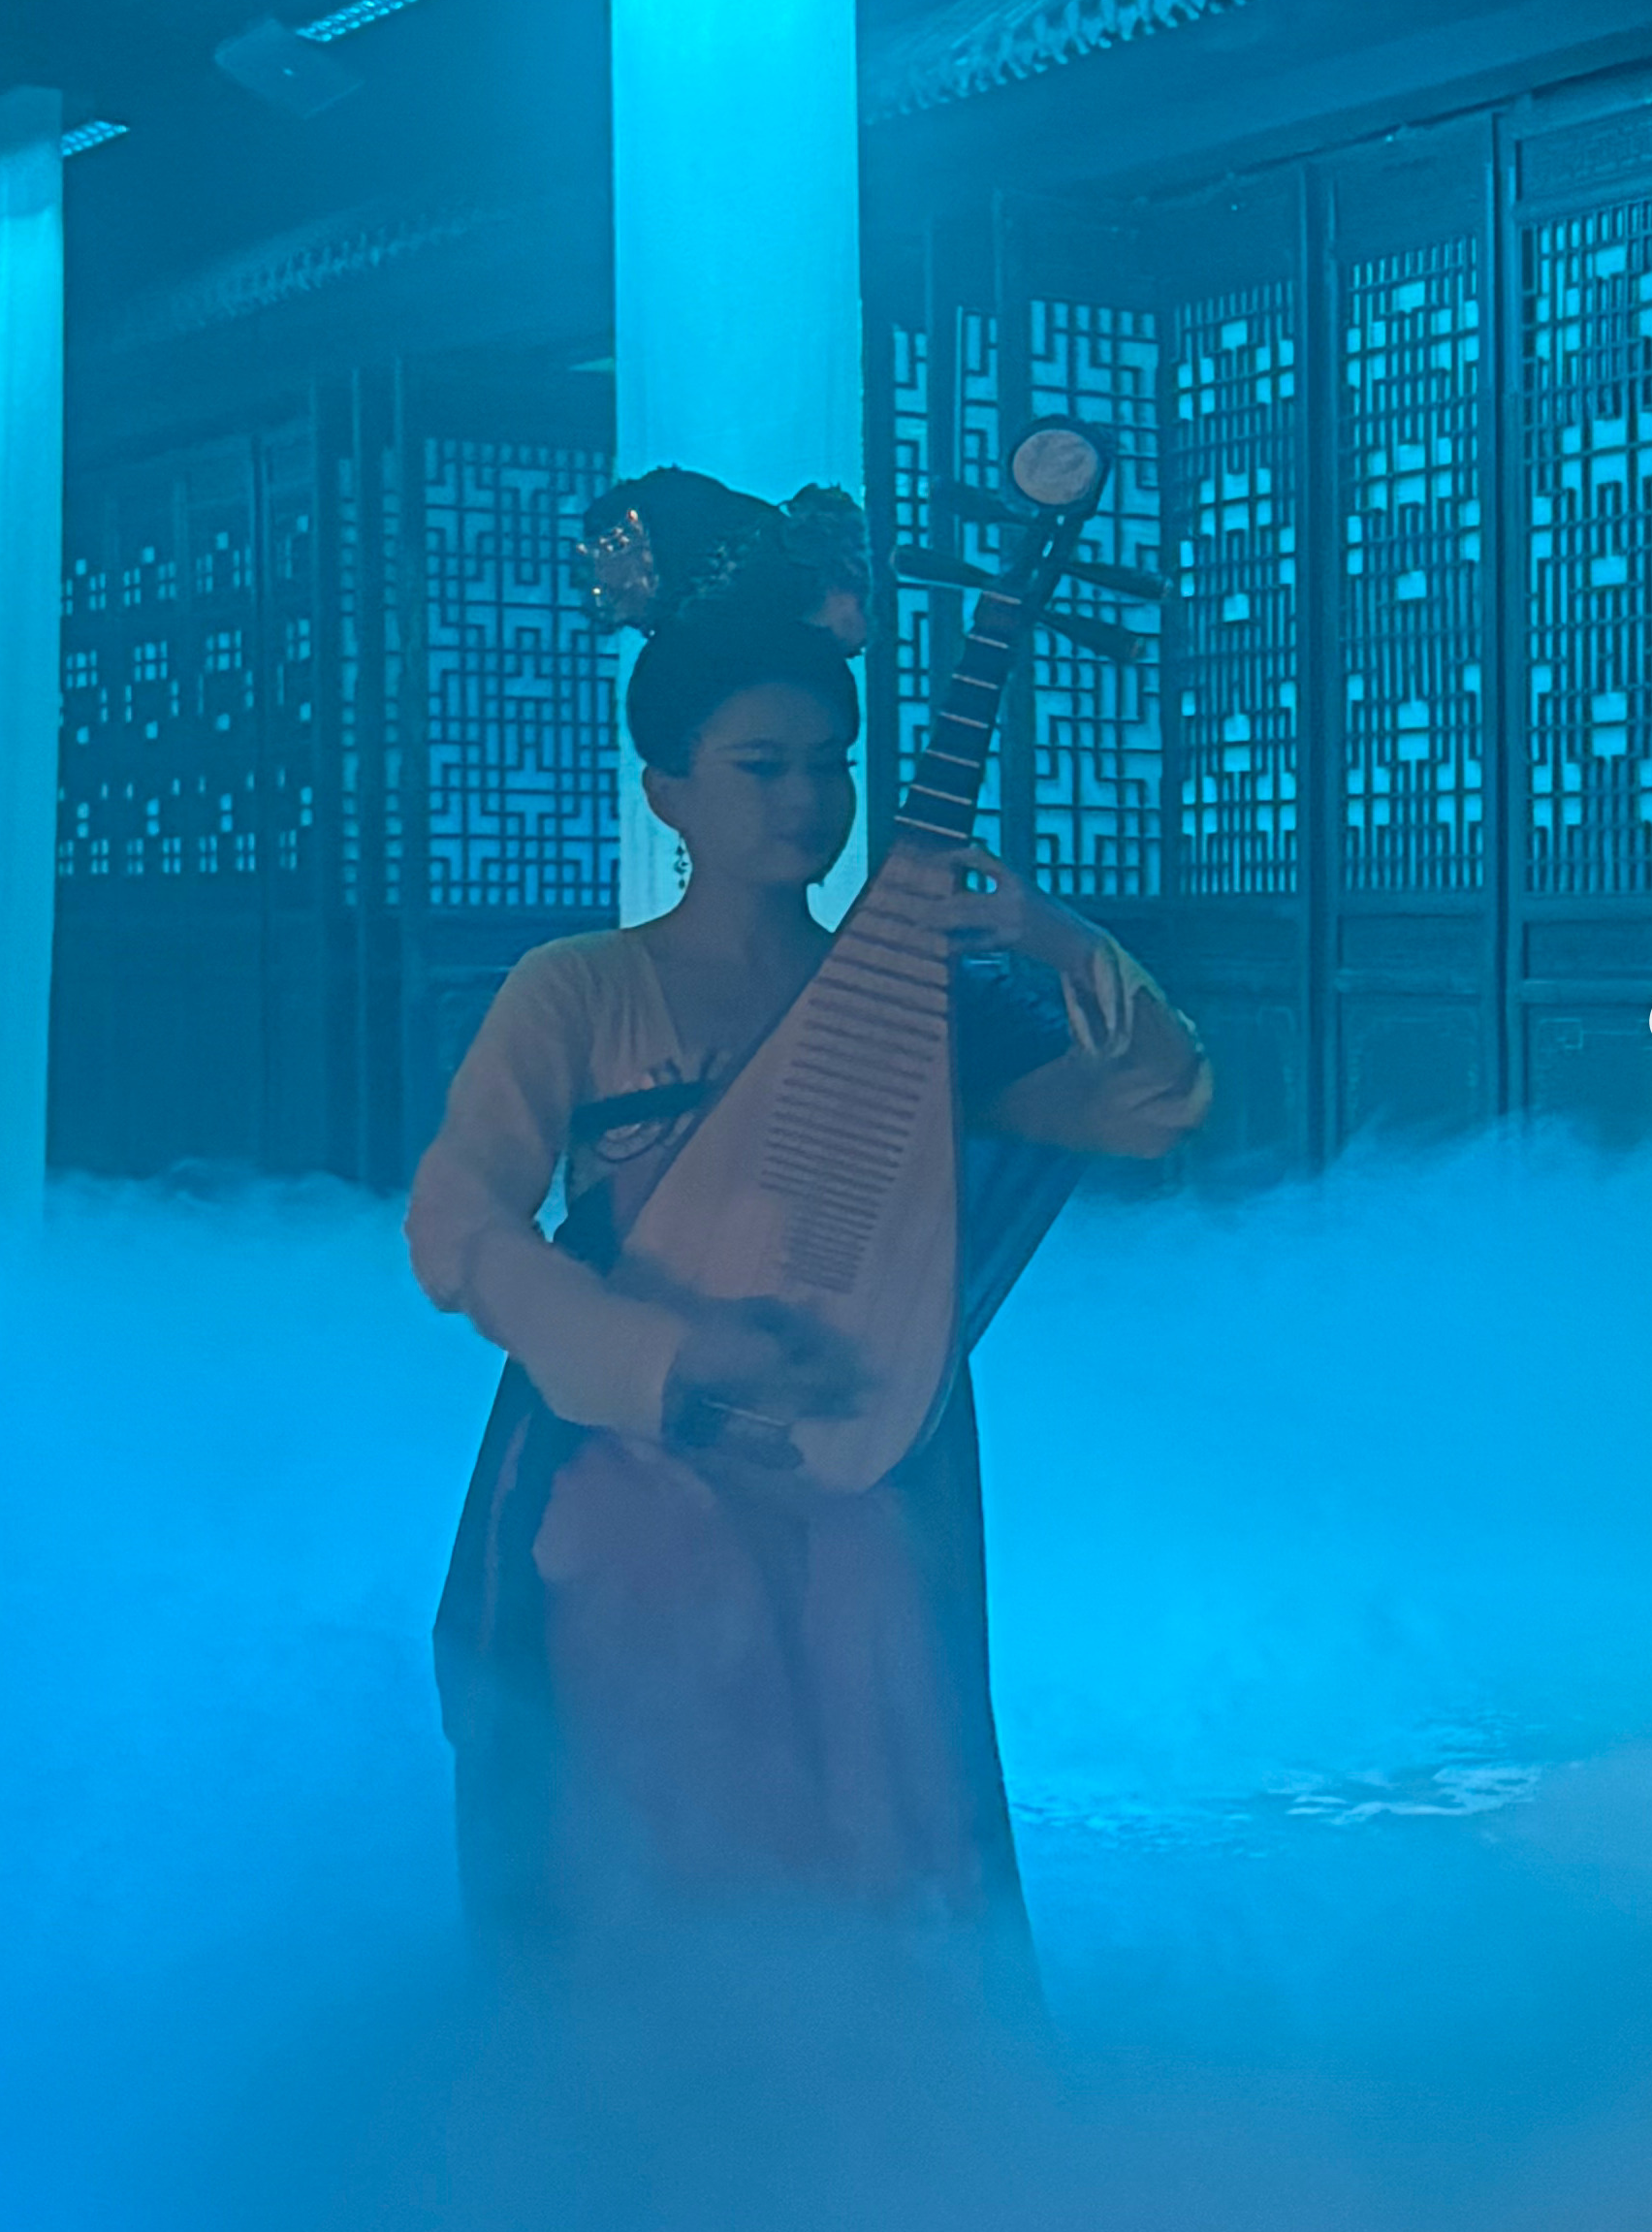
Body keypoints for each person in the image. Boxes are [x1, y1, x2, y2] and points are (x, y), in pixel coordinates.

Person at [409, 469, 1211, 1944]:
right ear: (666, 787)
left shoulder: (916, 999)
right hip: (631, 1475)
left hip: (865, 1457)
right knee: (642, 1842)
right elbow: (458, 1227)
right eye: (759, 765)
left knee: (881, 1822)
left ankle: (884, 2084)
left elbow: (1150, 1106)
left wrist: (1050, 933)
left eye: (830, 766)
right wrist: (665, 1359)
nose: (803, 801)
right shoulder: (578, 989)